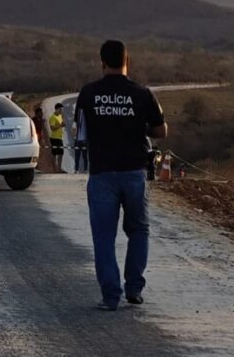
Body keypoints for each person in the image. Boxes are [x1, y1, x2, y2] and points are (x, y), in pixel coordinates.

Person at [76, 40, 167, 311]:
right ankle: (134, 289)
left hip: (102, 172)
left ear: (102, 62)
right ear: (128, 61)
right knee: (138, 230)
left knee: (103, 237)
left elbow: (79, 133)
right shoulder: (142, 93)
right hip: (134, 173)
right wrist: (140, 128)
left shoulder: (89, 93)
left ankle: (110, 297)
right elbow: (161, 130)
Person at [49, 103, 66, 173]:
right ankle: (55, 169)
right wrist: (60, 125)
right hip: (54, 138)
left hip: (59, 137)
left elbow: (63, 124)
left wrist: (63, 123)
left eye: (62, 110)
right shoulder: (52, 117)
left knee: (60, 153)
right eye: (60, 109)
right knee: (54, 154)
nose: (61, 111)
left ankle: (59, 168)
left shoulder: (60, 116)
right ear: (56, 109)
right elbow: (52, 128)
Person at [72, 106, 88, 174]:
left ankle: (85, 169)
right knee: (77, 156)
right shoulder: (76, 119)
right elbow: (73, 128)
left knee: (85, 156)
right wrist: (74, 136)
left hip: (84, 140)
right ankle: (76, 169)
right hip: (78, 140)